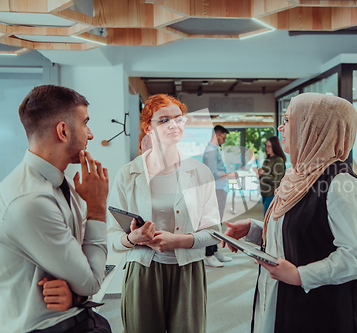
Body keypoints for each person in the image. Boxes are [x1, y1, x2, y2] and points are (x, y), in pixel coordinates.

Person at [224, 93, 357, 333]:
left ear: (312, 127)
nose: (280, 127)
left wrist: (300, 275)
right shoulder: (297, 175)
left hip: (320, 310)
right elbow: (301, 229)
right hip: (280, 297)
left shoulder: (341, 184)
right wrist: (255, 230)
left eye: (287, 120)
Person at [0, 85, 110, 333]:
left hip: (76, 315)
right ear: (63, 130)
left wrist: (76, 296)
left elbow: (82, 267)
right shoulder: (31, 200)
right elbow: (91, 281)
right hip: (49, 327)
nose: (90, 134)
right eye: (85, 123)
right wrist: (97, 208)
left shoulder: (64, 182)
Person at [107, 94, 221, 333]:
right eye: (164, 120)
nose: (173, 125)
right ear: (148, 127)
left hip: (188, 271)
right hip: (142, 270)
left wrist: (179, 241)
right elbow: (112, 237)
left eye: (179, 119)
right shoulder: (128, 174)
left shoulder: (200, 173)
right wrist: (131, 238)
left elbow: (214, 234)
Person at [202, 124, 236, 267]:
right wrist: (230, 175)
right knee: (213, 222)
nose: (224, 140)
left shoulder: (214, 150)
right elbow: (213, 174)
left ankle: (214, 251)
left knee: (217, 222)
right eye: (223, 137)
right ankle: (209, 254)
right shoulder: (211, 151)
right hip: (215, 190)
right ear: (217, 135)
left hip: (219, 189)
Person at [254, 136, 286, 216]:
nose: (266, 148)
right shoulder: (267, 159)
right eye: (266, 146)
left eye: (269, 146)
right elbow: (265, 173)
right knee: (266, 217)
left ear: (275, 147)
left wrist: (262, 173)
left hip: (271, 193)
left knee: (268, 217)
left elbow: (276, 179)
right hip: (265, 192)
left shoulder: (279, 160)